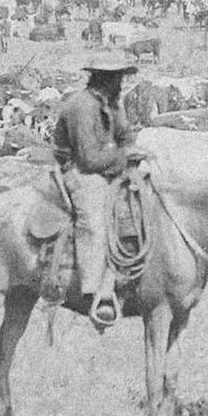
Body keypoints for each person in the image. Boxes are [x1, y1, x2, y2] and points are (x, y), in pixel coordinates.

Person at [50, 49, 141, 328]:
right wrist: (124, 156)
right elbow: (89, 159)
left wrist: (130, 151)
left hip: (108, 166)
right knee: (95, 220)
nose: (122, 84)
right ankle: (93, 292)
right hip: (80, 172)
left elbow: (125, 134)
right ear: (105, 78)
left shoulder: (111, 103)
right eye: (118, 78)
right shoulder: (81, 106)